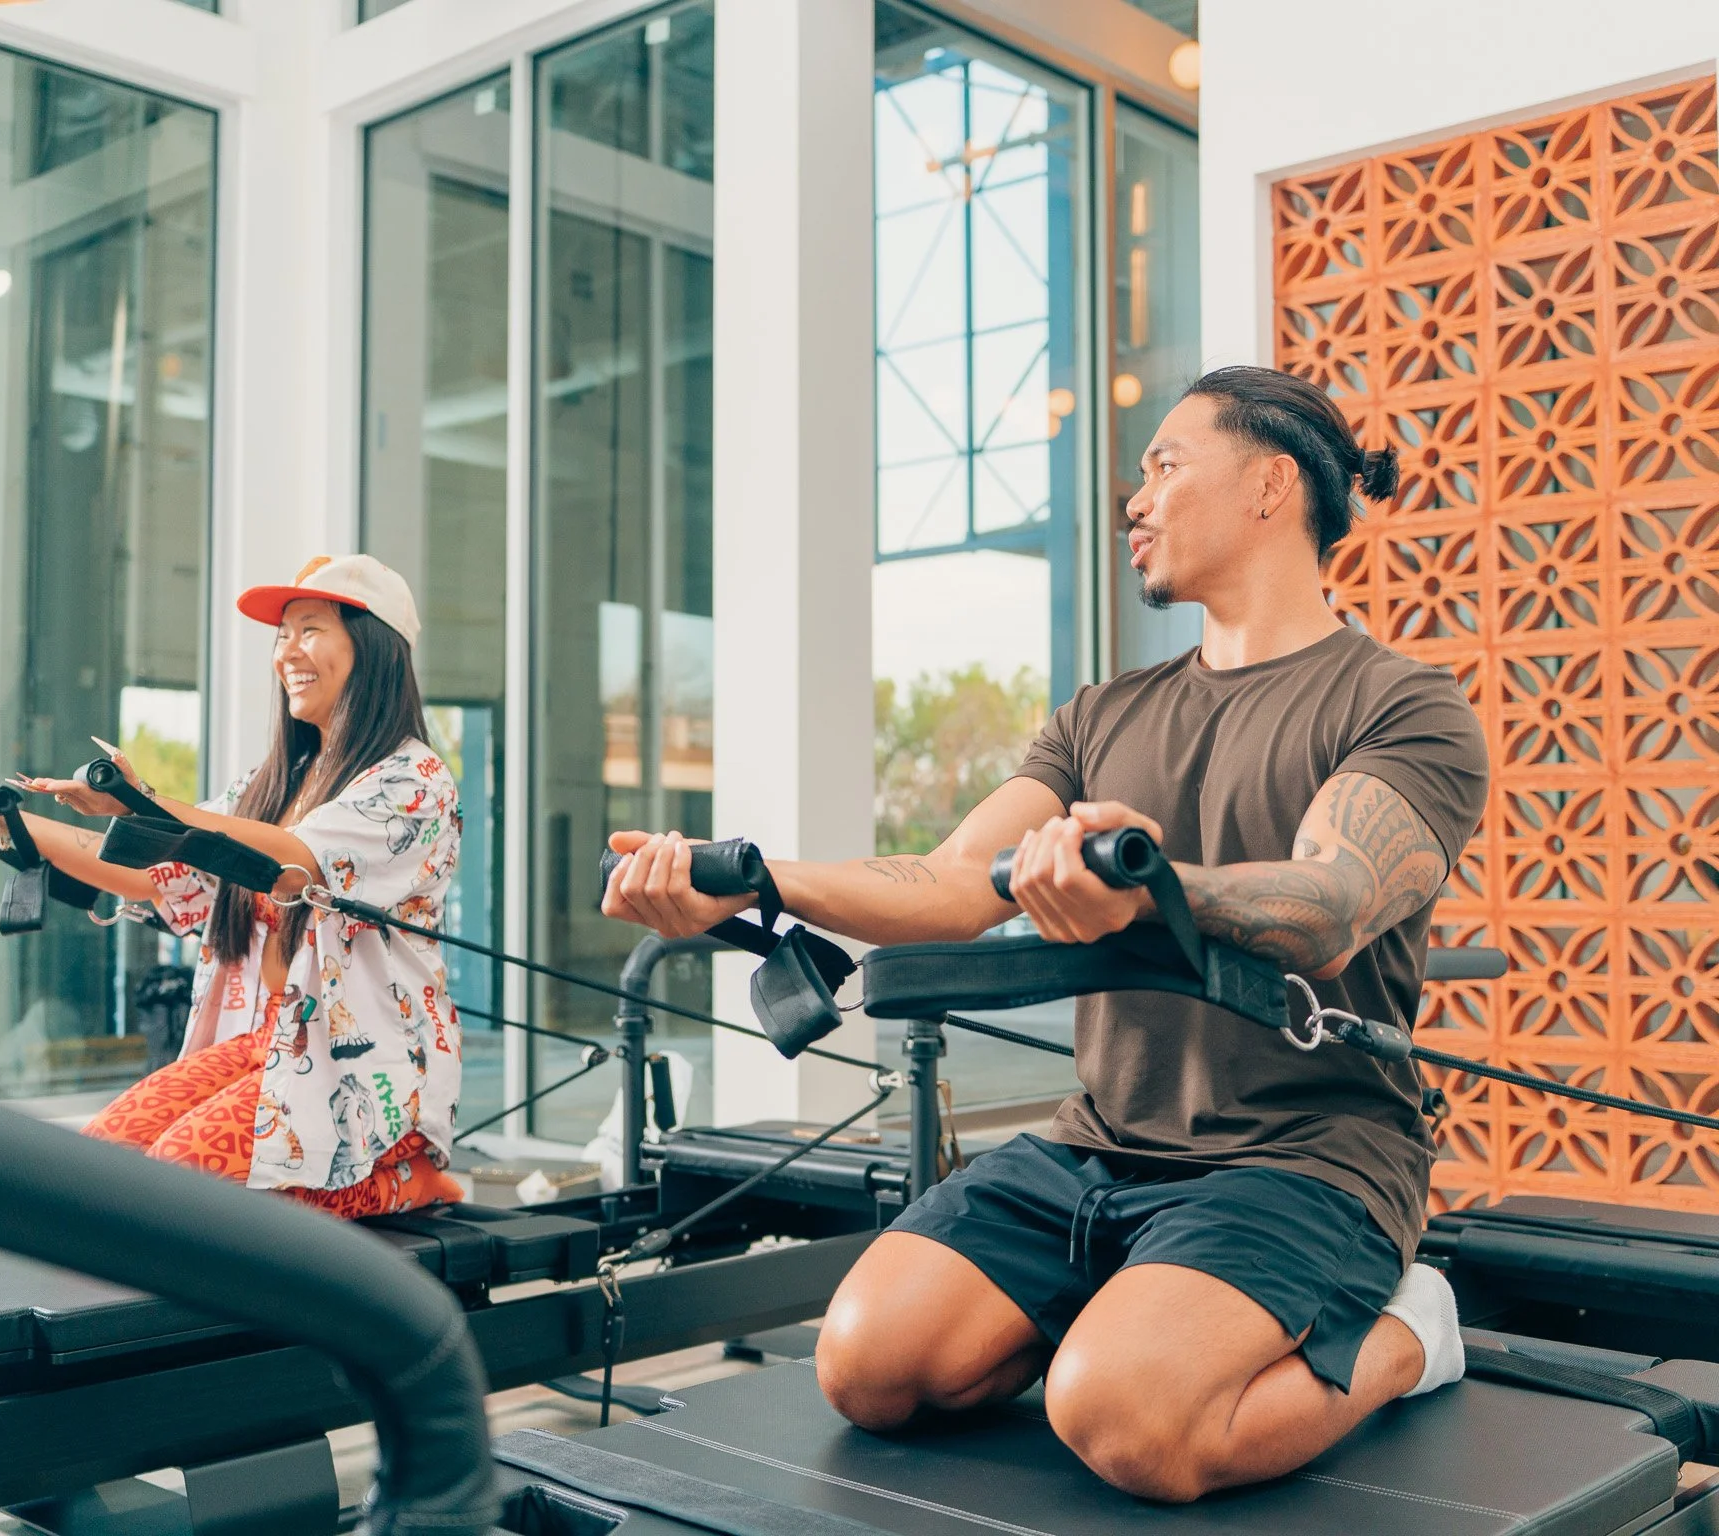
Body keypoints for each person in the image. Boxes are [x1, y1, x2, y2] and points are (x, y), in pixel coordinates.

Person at [602, 366, 1490, 1502]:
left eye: (1164, 466)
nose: (1135, 500)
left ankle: (1410, 1332)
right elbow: (947, 884)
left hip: (1306, 1156)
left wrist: (1152, 889)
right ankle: (1129, 1307)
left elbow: (1330, 903)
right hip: (1098, 1143)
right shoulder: (1102, 715)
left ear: (1271, 486)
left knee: (1127, 1423)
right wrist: (754, 881)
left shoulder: (1400, 703)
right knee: (868, 1366)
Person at [0, 554, 465, 1220]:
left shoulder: (415, 782)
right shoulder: (272, 782)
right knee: (100, 1169)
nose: (287, 652)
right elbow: (149, 872)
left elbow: (295, 860)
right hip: (267, 1046)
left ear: (374, 646)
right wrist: (0, 821)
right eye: (282, 635)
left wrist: (145, 803)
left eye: (311, 629)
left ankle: (406, 1176)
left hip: (367, 1072)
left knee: (178, 1186)